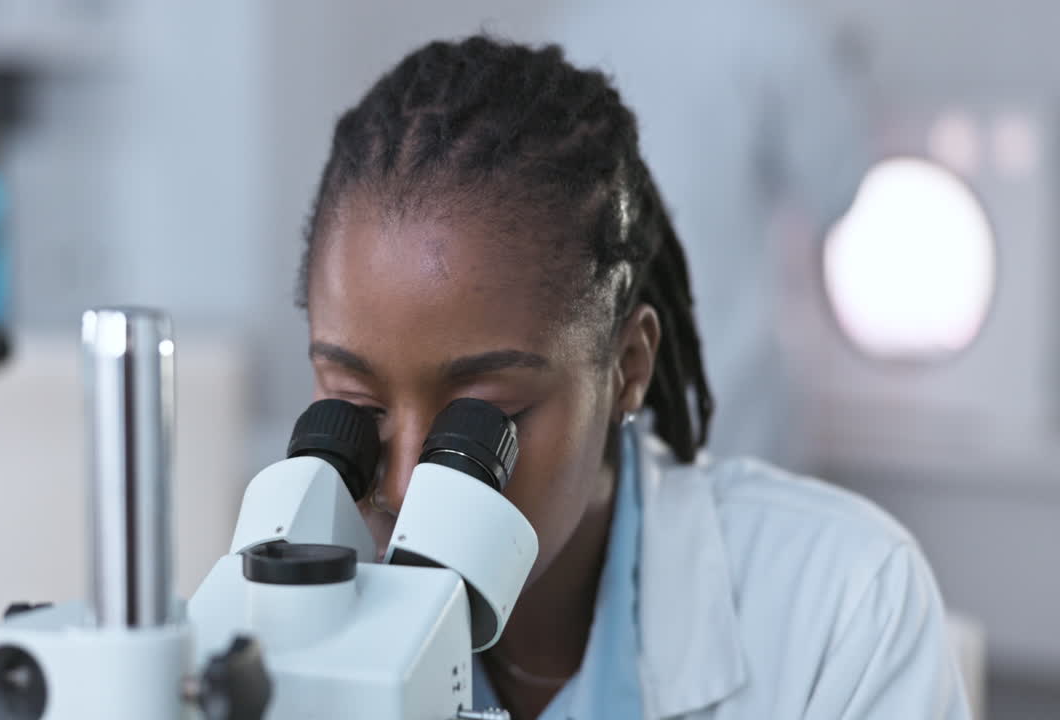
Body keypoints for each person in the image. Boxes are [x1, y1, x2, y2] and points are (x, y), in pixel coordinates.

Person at [295, 36, 969, 719]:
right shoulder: (283, 619)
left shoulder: (844, 607)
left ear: (629, 367)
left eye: (478, 414)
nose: (406, 485)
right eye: (357, 404)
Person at [549, 0, 872, 468]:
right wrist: (847, 78)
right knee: (735, 526)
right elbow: (837, 186)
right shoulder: (767, 29)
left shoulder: (578, 27)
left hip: (602, 372)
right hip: (728, 379)